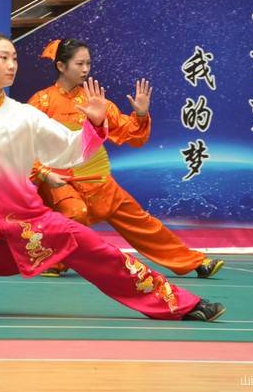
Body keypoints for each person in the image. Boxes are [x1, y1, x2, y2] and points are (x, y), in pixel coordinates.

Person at [0, 32, 225, 322]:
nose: (12, 65)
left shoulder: (25, 116)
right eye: (3, 57)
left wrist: (94, 124)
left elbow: (71, 151)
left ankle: (178, 303)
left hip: (28, 221)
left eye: (15, 58)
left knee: (101, 251)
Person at [28, 38, 224, 278]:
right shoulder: (42, 102)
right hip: (59, 180)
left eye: (88, 63)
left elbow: (130, 134)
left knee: (140, 220)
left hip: (95, 179)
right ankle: (55, 261)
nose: (86, 69)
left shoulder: (94, 100)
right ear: (61, 66)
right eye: (79, 64)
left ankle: (194, 262)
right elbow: (23, 145)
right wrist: (44, 173)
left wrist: (140, 114)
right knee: (75, 212)